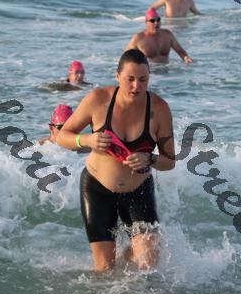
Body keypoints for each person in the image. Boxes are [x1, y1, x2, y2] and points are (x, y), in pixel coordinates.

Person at [56, 49, 175, 272]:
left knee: (148, 263)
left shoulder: (159, 109)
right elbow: (62, 136)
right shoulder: (98, 100)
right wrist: (87, 140)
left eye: (143, 80)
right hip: (97, 189)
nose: (136, 86)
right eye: (130, 79)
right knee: (105, 270)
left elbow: (169, 162)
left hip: (138, 190)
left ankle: (130, 252)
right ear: (117, 76)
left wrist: (149, 158)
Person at [126, 8, 193, 64]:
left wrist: (186, 57)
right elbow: (126, 57)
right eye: (152, 20)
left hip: (167, 70)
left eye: (158, 20)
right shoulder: (138, 38)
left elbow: (180, 51)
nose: (156, 23)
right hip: (150, 72)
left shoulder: (168, 35)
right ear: (146, 22)